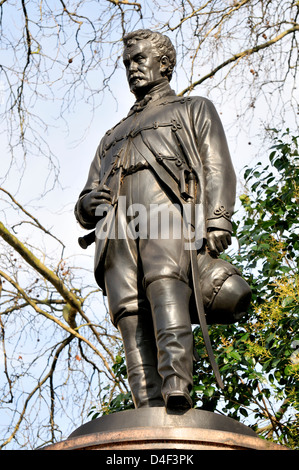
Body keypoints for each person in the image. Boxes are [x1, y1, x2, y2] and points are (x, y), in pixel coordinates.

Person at [75, 29, 239, 410]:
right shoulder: (111, 135)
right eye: (127, 63)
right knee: (127, 310)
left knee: (166, 287)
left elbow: (217, 166)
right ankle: (144, 403)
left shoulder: (192, 109)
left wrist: (217, 221)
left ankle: (176, 384)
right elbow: (88, 191)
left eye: (140, 60)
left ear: (164, 64)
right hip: (115, 228)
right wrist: (87, 205)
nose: (133, 68)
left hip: (165, 214)